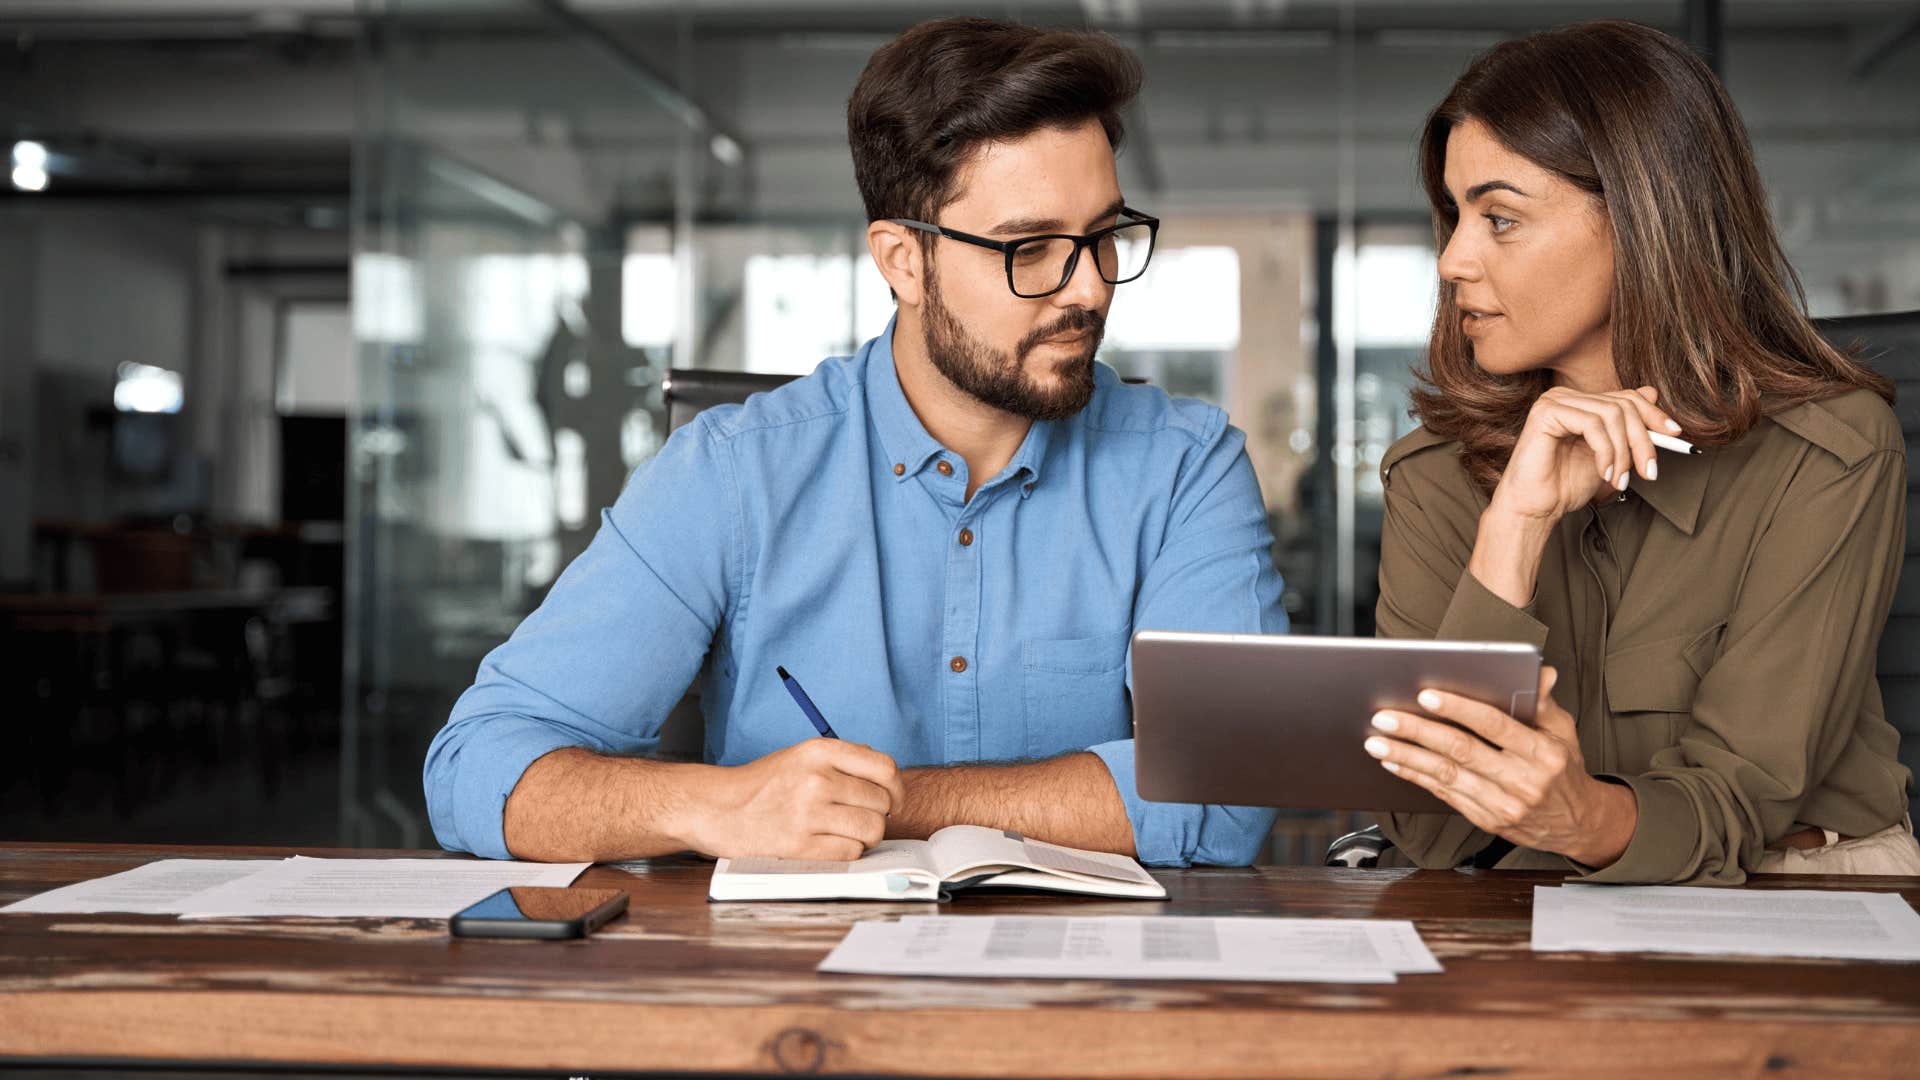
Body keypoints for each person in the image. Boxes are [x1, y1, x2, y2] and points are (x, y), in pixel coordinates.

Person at [422, 16, 1287, 867]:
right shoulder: (732, 474)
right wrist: (720, 805)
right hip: (799, 993)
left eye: (1103, 236)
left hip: (1091, 990)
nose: (1090, 287)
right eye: (1031, 248)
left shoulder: (1184, 467)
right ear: (903, 261)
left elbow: (1231, 781)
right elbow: (480, 767)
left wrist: (885, 803)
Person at [1364, 19, 1917, 884]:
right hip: (1523, 892)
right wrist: (1517, 522)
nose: (1452, 260)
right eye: (1454, 215)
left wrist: (1582, 818)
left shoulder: (1829, 453)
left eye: (1499, 218)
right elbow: (1430, 834)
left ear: (1641, 218)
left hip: (1797, 884)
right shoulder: (1434, 475)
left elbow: (1744, 800)